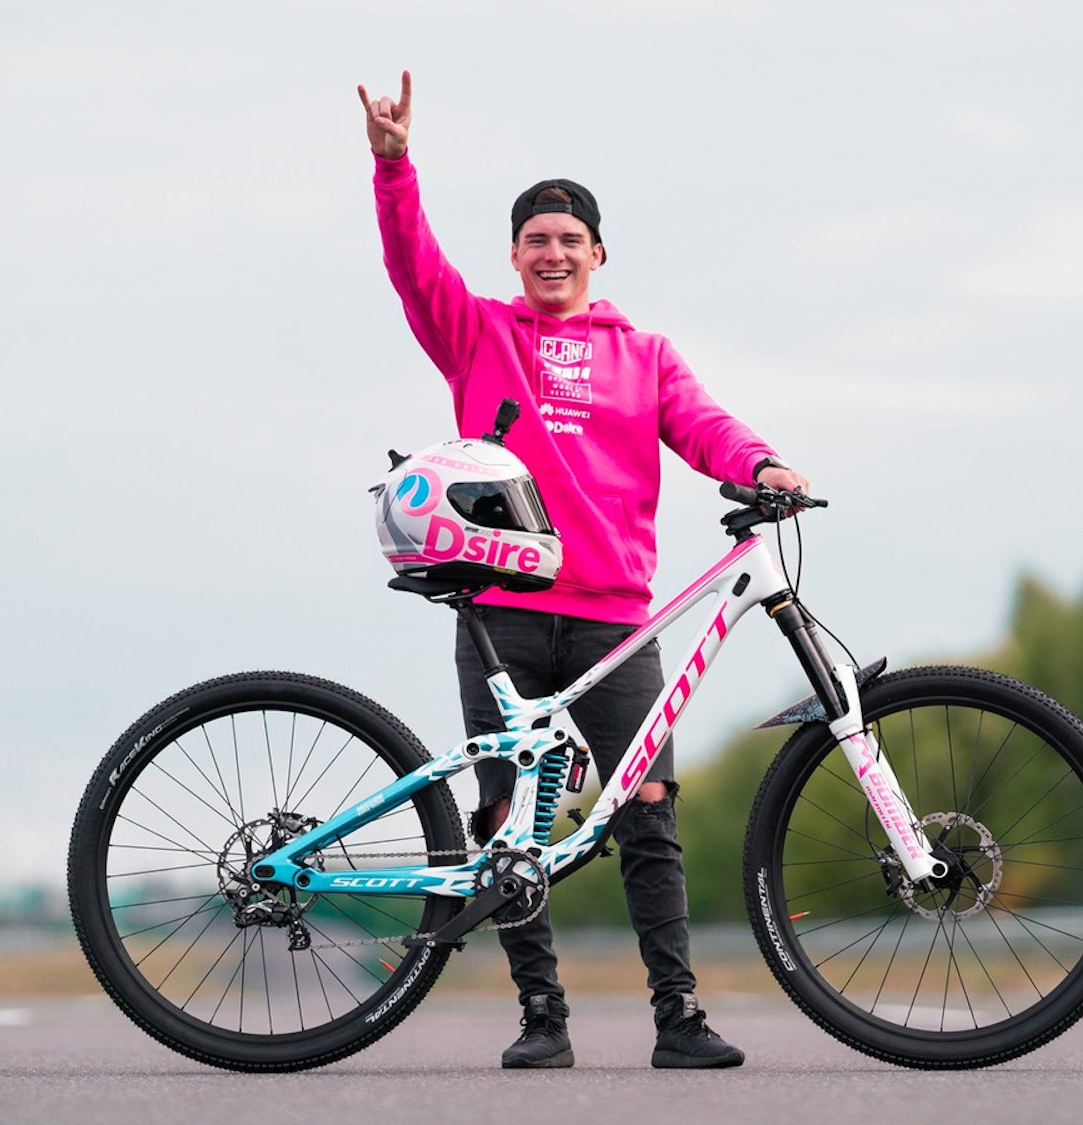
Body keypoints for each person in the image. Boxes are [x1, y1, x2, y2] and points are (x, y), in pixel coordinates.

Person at [358, 71, 809, 1071]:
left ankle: (677, 1016)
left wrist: (762, 465)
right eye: (534, 241)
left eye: (568, 240)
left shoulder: (643, 354)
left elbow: (701, 427)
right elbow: (410, 268)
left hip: (616, 623)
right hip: (506, 615)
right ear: (514, 258)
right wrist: (393, 166)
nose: (551, 253)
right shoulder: (476, 333)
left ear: (596, 254)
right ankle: (540, 1016)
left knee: (648, 812)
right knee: (505, 820)